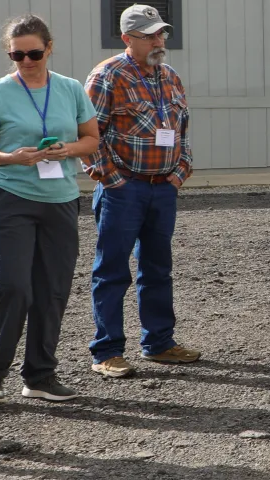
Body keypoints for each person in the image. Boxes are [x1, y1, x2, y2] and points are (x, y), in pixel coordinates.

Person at [0, 15, 101, 403]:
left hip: (59, 199)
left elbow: (91, 138)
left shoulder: (71, 89)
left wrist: (68, 149)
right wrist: (11, 157)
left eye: (34, 53)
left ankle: (40, 377)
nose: (26, 60)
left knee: (52, 290)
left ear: (49, 48)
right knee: (11, 287)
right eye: (17, 54)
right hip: (7, 196)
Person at [83, 4, 200, 380]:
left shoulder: (170, 76)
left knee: (158, 268)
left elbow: (182, 130)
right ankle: (107, 351)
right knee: (112, 271)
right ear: (127, 38)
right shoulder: (107, 76)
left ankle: (159, 343)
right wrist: (112, 179)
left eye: (161, 33)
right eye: (149, 34)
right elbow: (88, 136)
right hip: (124, 189)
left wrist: (180, 171)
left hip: (163, 188)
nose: (158, 40)